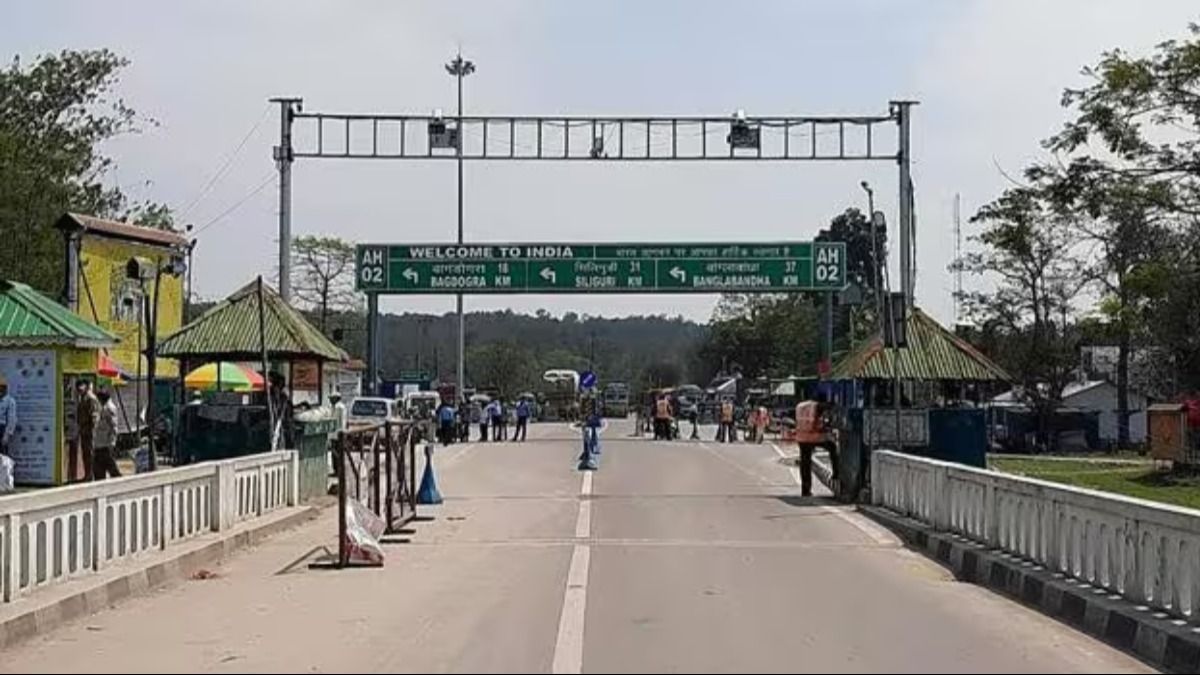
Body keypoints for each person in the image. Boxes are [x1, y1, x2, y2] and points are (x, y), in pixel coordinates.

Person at [795, 392, 838, 497]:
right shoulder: (817, 406)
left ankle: (805, 490)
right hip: (814, 436)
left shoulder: (800, 406)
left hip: (801, 437)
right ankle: (836, 474)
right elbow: (827, 408)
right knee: (833, 447)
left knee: (805, 464)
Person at [73, 380, 99, 482]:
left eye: (81, 387)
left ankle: (91, 475)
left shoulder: (90, 399)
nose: (79, 389)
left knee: (90, 453)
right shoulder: (83, 398)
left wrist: (92, 431)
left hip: (89, 431)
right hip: (84, 430)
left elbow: (94, 416)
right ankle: (88, 474)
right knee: (85, 453)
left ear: (86, 386)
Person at [93, 389, 121, 480]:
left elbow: (114, 426)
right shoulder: (103, 407)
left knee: (111, 467)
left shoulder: (110, 408)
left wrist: (112, 442)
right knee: (98, 468)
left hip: (106, 443)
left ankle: (119, 482)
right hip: (99, 443)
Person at [0, 374, 15, 458]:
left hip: (2, 430)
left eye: (2, 387)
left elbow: (11, 419)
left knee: (2, 457)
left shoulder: (10, 401)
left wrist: (6, 435)